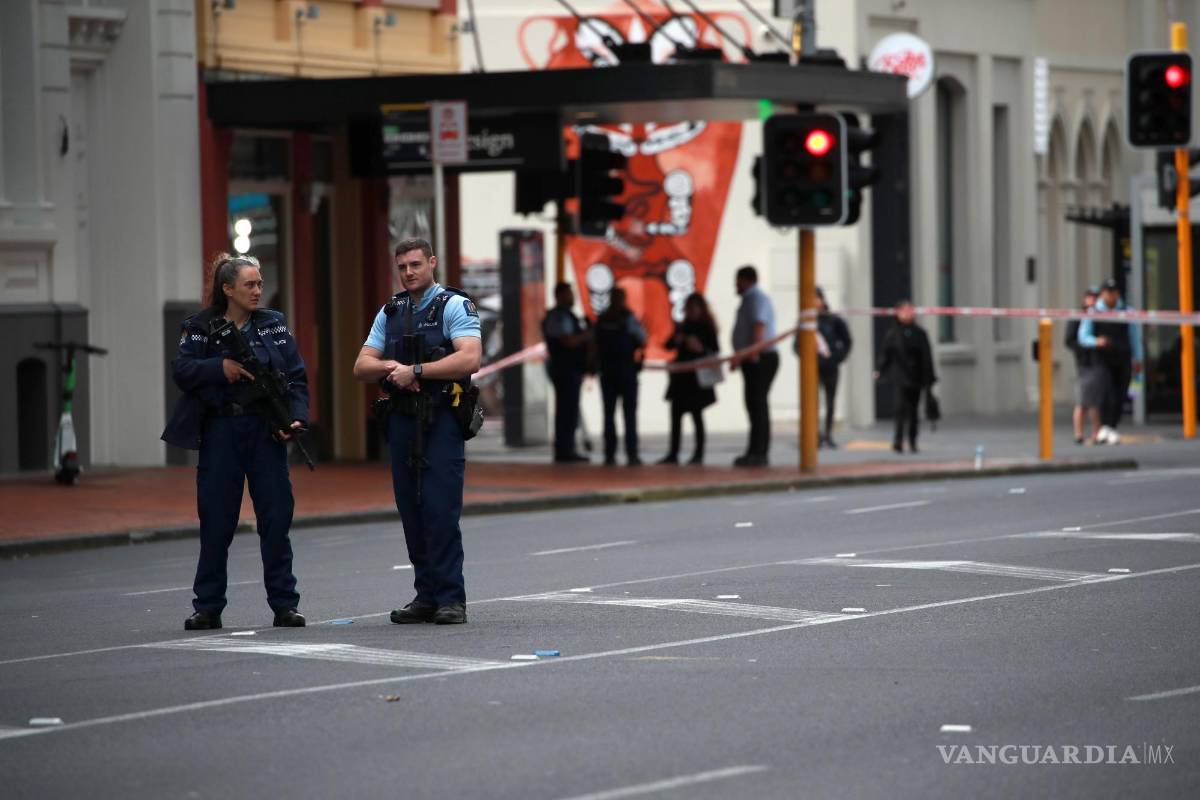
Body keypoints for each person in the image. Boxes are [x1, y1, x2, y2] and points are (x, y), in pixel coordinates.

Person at [162, 253, 308, 631]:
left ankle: (285, 605)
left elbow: (296, 376)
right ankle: (208, 607)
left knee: (275, 519)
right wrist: (219, 367)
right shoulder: (200, 327)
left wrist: (294, 419)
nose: (258, 291)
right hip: (222, 430)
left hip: (265, 431)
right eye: (250, 285)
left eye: (260, 284)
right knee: (216, 522)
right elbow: (182, 370)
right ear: (227, 289)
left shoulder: (273, 325)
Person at [353, 238, 481, 625]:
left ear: (432, 262)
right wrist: (392, 368)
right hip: (402, 420)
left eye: (415, 265)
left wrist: (418, 371)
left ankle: (451, 598)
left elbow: (470, 358)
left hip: (441, 420)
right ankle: (426, 596)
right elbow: (361, 365)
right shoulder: (392, 310)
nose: (408, 272)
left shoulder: (453, 305)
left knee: (440, 510)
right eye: (402, 267)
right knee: (411, 509)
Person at [1079, 278, 1143, 445]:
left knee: (1121, 394)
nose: (1111, 296)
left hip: (1122, 357)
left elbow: (1134, 337)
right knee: (1105, 393)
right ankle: (1104, 427)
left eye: (1114, 292)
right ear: (1102, 294)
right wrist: (1096, 341)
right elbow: (1083, 336)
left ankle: (1109, 427)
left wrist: (1138, 358)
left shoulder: (1127, 311)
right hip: (1102, 359)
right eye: (1108, 292)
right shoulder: (1093, 312)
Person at [658, 292, 719, 465]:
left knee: (696, 415)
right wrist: (677, 340)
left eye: (693, 308)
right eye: (688, 308)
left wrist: (699, 348)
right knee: (675, 415)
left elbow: (714, 350)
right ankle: (673, 452)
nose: (690, 311)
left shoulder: (706, 328)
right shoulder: (683, 327)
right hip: (680, 379)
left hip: (696, 380)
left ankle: (698, 453)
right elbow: (668, 344)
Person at [730, 265, 778, 466]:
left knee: (758, 405)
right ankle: (754, 450)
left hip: (760, 358)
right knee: (753, 405)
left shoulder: (757, 299)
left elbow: (759, 325)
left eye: (738, 280)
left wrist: (752, 353)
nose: (735, 285)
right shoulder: (749, 300)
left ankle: (759, 452)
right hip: (752, 358)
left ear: (747, 280)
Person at [874, 300, 936, 454]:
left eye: (910, 310)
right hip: (900, 376)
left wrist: (929, 378)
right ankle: (898, 440)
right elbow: (885, 353)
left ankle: (913, 440)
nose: (908, 313)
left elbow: (926, 357)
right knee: (899, 409)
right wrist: (879, 369)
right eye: (904, 310)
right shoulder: (893, 334)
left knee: (913, 411)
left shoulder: (920, 333)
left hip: (916, 377)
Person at [594, 287, 647, 466]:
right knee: (626, 415)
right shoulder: (627, 319)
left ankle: (612, 454)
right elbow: (642, 339)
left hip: (611, 372)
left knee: (611, 415)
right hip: (624, 372)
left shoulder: (604, 319)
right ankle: (630, 454)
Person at [795, 287, 853, 449]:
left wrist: (837, 358)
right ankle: (814, 435)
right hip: (812, 369)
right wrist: (806, 359)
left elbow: (847, 341)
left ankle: (828, 434)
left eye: (816, 299)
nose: (814, 303)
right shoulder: (806, 321)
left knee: (830, 402)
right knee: (811, 402)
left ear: (822, 300)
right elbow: (797, 345)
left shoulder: (833, 320)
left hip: (830, 367)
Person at [543, 282, 591, 463]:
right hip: (564, 369)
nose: (572, 297)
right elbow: (567, 341)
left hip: (571, 369)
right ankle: (564, 450)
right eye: (569, 293)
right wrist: (587, 335)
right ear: (560, 296)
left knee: (569, 411)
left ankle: (567, 448)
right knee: (566, 411)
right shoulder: (558, 317)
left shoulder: (568, 316)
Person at [1065, 287, 1105, 444]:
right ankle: (1081, 433)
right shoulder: (1078, 317)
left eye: (1095, 297)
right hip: (1085, 363)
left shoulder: (1102, 316)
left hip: (1098, 361)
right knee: (1085, 400)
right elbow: (1069, 340)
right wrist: (1085, 349)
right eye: (1090, 297)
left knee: (1093, 400)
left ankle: (1095, 432)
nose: (1092, 301)